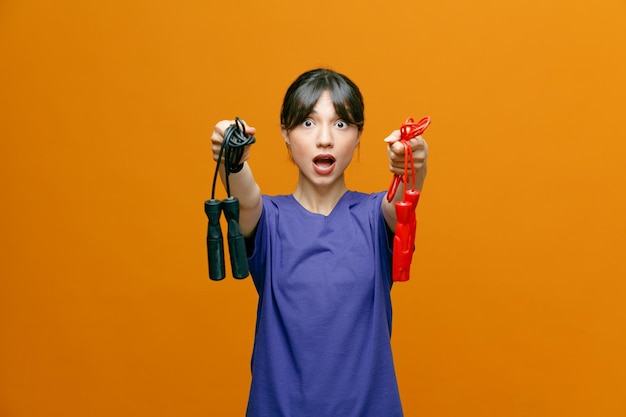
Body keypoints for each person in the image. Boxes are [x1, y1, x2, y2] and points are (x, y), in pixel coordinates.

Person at [209, 68, 428, 417]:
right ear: (285, 131)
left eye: (341, 124)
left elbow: (402, 198)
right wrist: (231, 159)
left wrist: (413, 163)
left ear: (359, 135)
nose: (324, 139)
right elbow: (246, 199)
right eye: (308, 123)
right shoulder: (270, 220)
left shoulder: (374, 217)